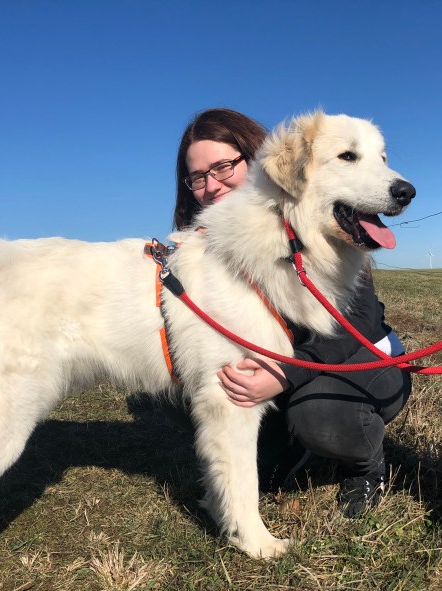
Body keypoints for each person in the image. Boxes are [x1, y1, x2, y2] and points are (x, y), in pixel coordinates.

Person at [173, 107, 412, 518]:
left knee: (322, 416)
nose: (212, 186)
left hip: (358, 357)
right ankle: (287, 444)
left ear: (256, 159)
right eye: (198, 177)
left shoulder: (318, 232)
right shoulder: (212, 242)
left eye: (224, 167)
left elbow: (356, 324)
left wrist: (284, 373)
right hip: (288, 364)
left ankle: (364, 465)